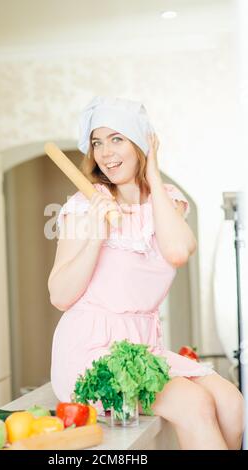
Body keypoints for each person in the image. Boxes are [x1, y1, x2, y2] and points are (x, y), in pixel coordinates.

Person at [48, 96, 245, 450]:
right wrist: (95, 233)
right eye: (97, 142)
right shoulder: (84, 204)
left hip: (143, 348)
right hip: (90, 349)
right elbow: (60, 296)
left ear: (141, 142)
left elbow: (178, 252)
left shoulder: (166, 200)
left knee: (232, 402)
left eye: (117, 138)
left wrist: (153, 175)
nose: (106, 152)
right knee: (194, 403)